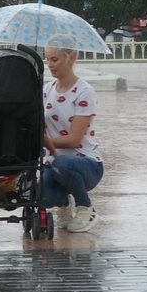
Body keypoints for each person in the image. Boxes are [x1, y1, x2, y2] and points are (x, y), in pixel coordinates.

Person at [41, 41, 104, 233]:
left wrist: (47, 143)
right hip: (53, 160)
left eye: (55, 59)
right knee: (41, 193)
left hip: (85, 164)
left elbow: (74, 139)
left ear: (72, 58)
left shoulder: (84, 91)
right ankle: (63, 204)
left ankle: (86, 208)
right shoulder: (46, 89)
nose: (50, 64)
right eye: (47, 59)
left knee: (63, 163)